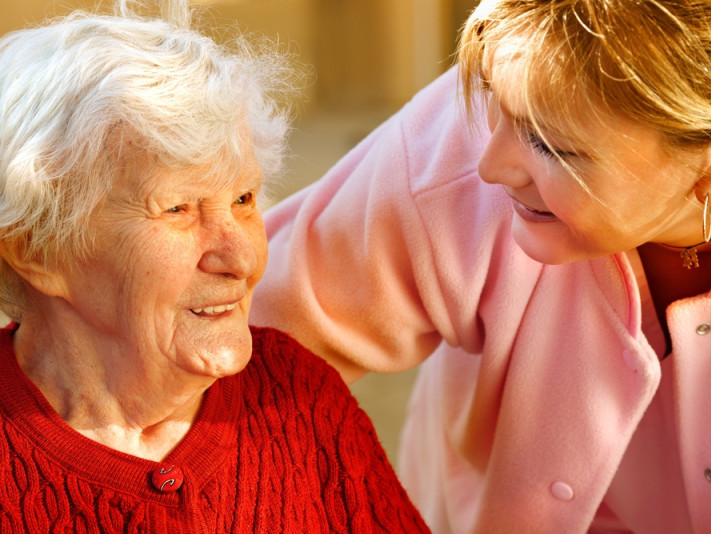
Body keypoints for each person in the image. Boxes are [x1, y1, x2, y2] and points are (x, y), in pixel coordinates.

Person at [250, 0, 711, 532]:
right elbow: (243, 352)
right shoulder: (450, 150)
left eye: (551, 146)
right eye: (492, 94)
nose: (490, 165)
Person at [0, 2, 431, 532]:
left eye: (244, 199)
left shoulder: (298, 398)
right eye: (178, 209)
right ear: (39, 251)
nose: (243, 257)